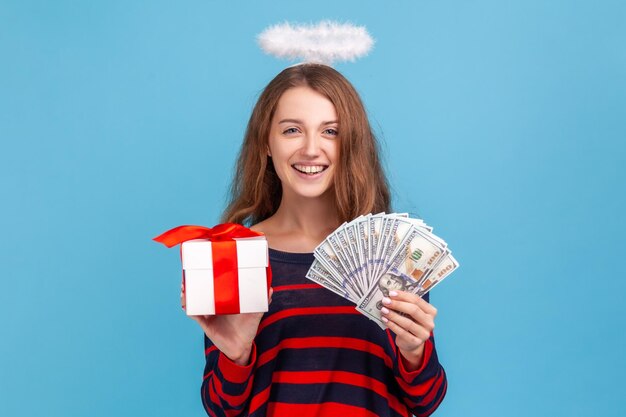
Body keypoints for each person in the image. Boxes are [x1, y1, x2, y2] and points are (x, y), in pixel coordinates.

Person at [188, 63, 447, 417]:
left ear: (351, 143)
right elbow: (222, 409)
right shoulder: (235, 254)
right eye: (292, 130)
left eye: (331, 131)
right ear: (266, 141)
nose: (311, 149)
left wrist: (415, 351)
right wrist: (236, 355)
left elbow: (425, 401)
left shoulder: (394, 252)